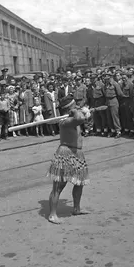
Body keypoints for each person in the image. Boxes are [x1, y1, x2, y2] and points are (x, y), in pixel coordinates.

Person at [46, 94, 91, 224]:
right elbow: (80, 118)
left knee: (79, 182)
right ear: (69, 108)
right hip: (65, 153)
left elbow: (84, 118)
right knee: (58, 186)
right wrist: (77, 111)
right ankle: (52, 214)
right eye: (74, 105)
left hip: (77, 152)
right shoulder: (65, 121)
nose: (77, 106)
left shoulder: (72, 117)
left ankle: (76, 208)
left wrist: (84, 112)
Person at [103, 71, 124, 138]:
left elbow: (120, 94)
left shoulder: (115, 84)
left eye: (107, 77)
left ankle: (118, 131)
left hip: (113, 101)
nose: (106, 78)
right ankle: (112, 131)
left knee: (115, 117)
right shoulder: (105, 85)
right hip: (107, 102)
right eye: (105, 77)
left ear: (110, 77)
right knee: (109, 118)